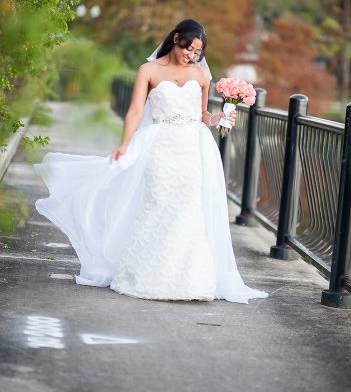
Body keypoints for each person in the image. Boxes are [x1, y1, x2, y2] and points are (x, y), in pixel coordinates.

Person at [35, 19, 267, 303]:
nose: (191, 55)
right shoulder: (148, 70)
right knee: (157, 203)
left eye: (197, 52)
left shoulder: (201, 76)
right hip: (161, 147)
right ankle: (145, 275)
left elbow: (202, 115)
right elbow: (134, 111)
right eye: (189, 48)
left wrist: (221, 117)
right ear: (176, 38)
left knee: (189, 209)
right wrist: (124, 143)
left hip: (192, 150)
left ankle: (189, 279)